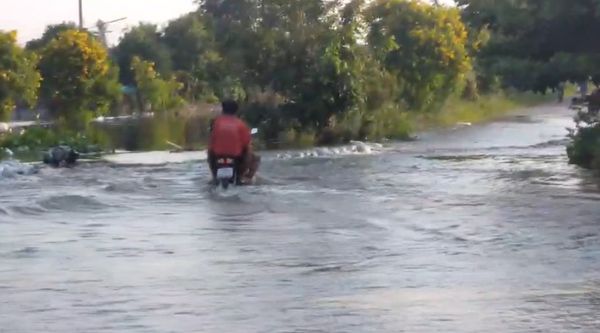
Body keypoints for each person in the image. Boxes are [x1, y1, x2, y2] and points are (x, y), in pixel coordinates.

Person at [207, 100, 260, 184]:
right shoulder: (241, 124)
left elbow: (211, 144)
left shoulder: (216, 123)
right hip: (236, 158)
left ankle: (214, 176)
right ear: (236, 111)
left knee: (210, 152)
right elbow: (246, 145)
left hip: (218, 157)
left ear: (223, 110)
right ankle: (246, 178)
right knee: (255, 158)